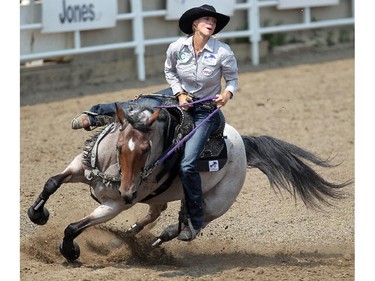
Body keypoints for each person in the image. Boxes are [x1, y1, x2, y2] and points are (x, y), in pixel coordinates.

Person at [71, 4, 238, 241]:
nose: (210, 23)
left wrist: (227, 94)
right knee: (138, 106)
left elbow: (232, 79)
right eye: (205, 19)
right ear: (195, 24)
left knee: (189, 165)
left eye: (213, 20)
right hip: (176, 96)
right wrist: (179, 93)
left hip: (204, 108)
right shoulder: (177, 48)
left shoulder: (223, 52)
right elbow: (169, 71)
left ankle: (195, 220)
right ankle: (95, 116)